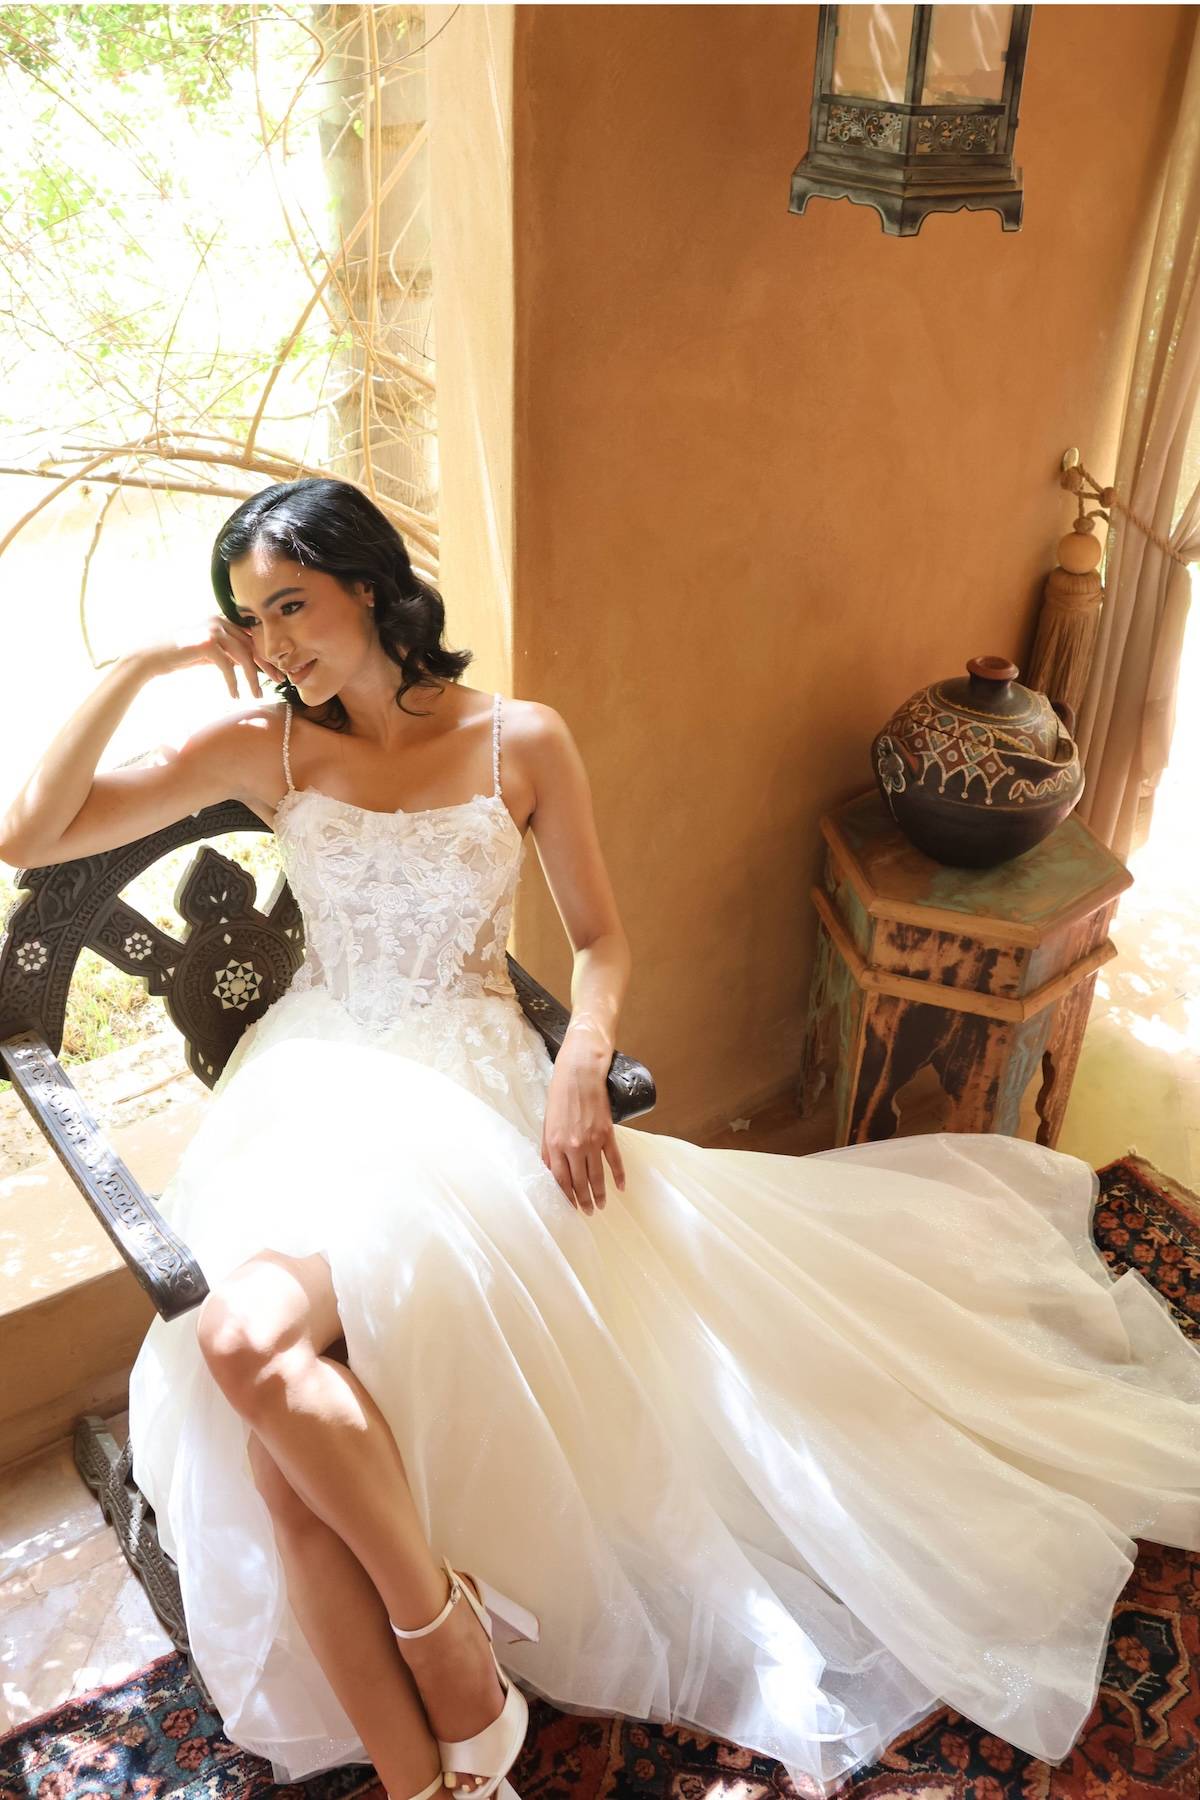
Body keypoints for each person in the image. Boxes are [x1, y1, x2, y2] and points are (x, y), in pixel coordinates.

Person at [2, 476, 1198, 1800]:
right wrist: (148, 660)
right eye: (248, 618)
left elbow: (603, 940)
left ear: (372, 586)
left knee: (267, 1409)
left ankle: (442, 1717)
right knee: (273, 1425)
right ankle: (445, 1727)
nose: (275, 643)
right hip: (313, 1094)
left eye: (294, 603)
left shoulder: (520, 739)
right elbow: (25, 833)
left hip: (467, 1092)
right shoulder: (265, 750)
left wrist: (579, 1056)